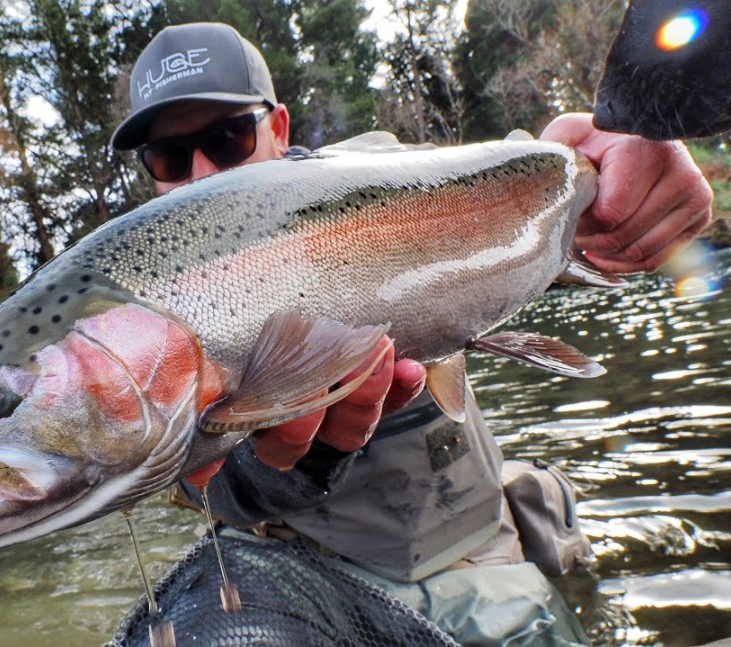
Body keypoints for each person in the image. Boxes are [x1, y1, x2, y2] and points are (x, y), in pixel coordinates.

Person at [106, 22, 714, 646]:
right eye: (169, 157)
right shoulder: (135, 312)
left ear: (280, 129)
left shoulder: (383, 185)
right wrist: (307, 447)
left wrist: (607, 167)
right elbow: (209, 490)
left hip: (478, 555)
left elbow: (512, 194)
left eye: (228, 138)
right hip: (312, 581)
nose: (201, 173)